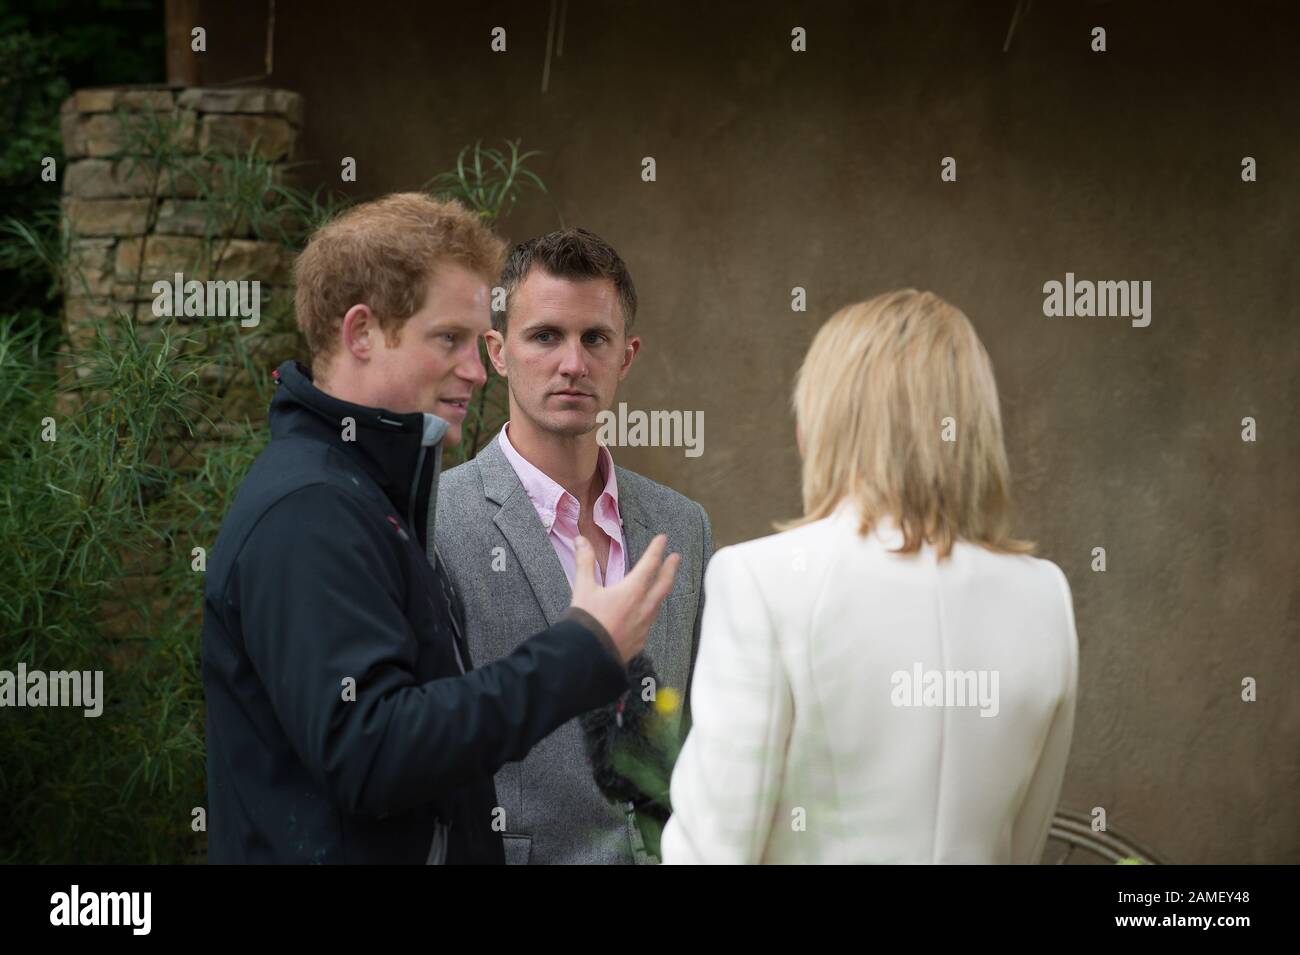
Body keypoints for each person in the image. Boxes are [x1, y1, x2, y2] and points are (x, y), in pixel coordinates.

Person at [202, 194, 679, 864]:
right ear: (361, 333)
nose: (477, 371)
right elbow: (373, 752)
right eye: (450, 339)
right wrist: (581, 650)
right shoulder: (309, 508)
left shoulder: (365, 494)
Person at [662, 289, 1078, 864]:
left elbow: (711, 852)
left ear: (829, 420)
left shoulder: (759, 580)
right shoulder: (1045, 597)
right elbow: (1024, 842)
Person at [437, 228, 712, 864]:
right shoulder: (440, 522)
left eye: (595, 338)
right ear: (498, 352)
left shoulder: (683, 525)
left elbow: (703, 730)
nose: (573, 363)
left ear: (627, 355)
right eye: (545, 336)